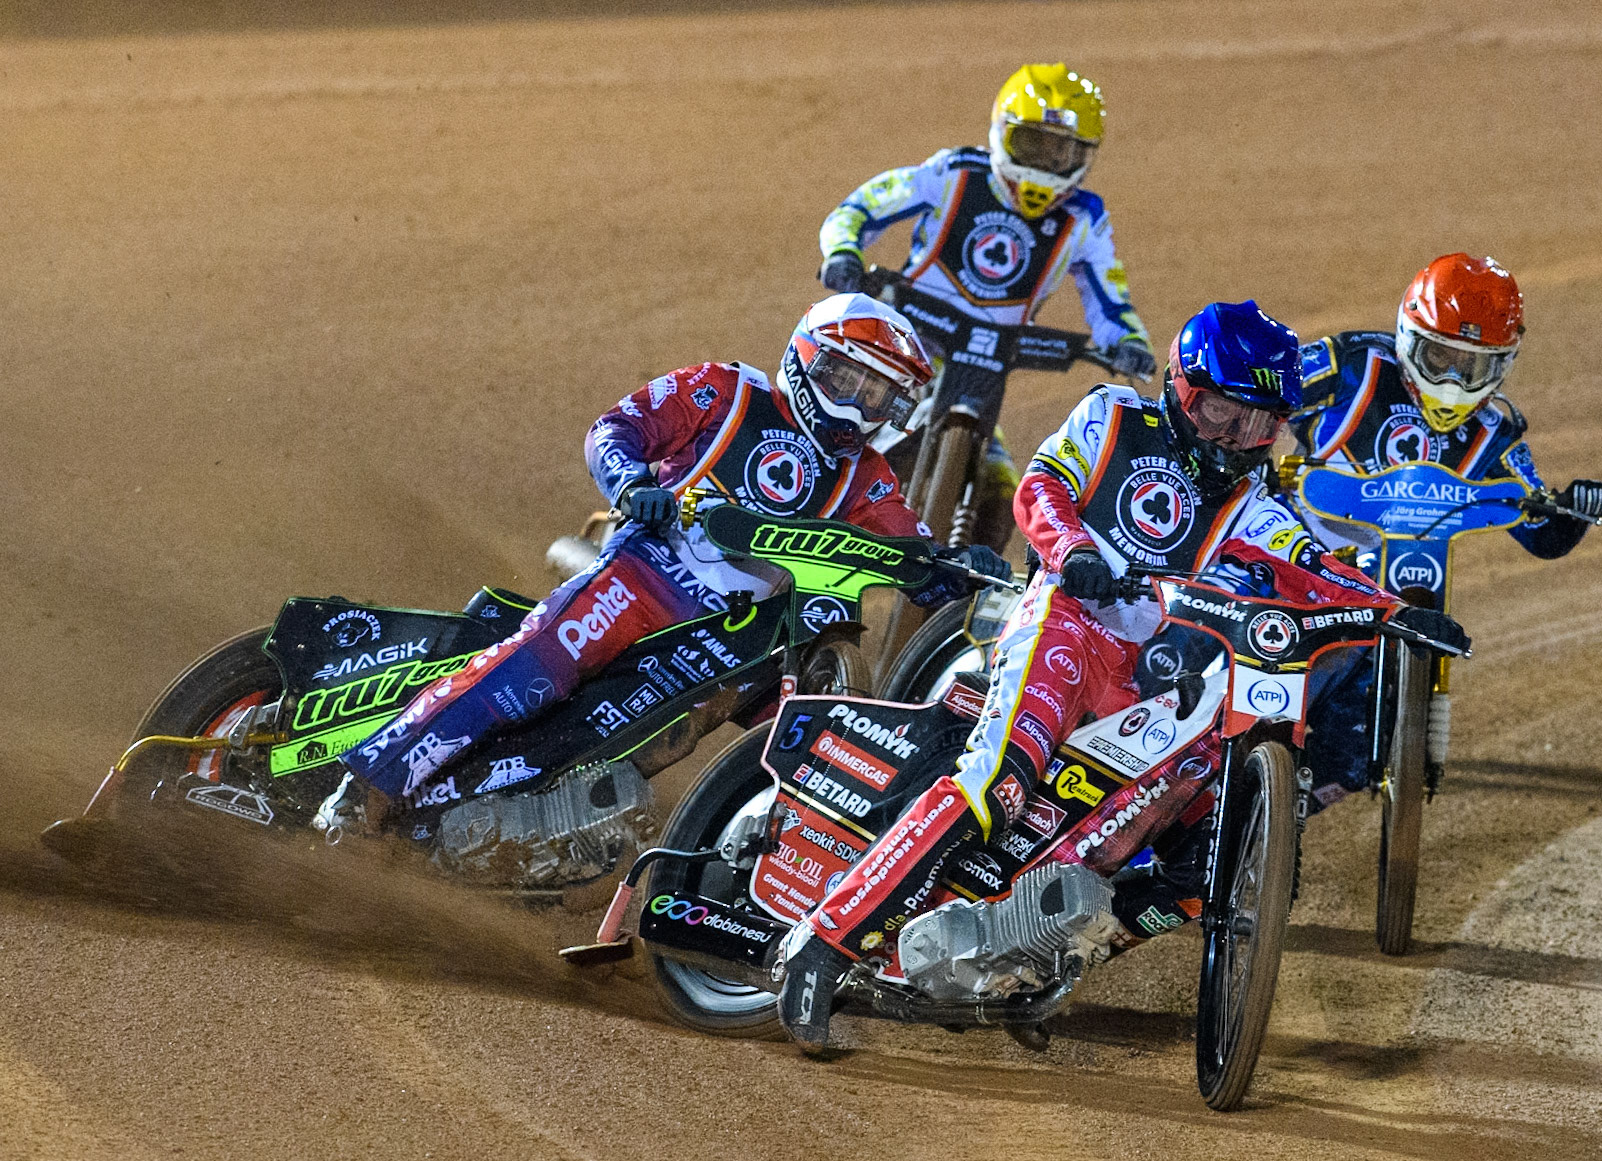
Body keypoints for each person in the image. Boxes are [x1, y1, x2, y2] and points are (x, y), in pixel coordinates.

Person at [773, 300, 1470, 1044]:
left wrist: (1393, 611)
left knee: (1205, 859)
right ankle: (823, 943)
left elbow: (1309, 564)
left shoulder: (1253, 502)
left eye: (1256, 425)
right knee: (996, 783)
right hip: (1064, 626)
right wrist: (1073, 550)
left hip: (1146, 675)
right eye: (1219, 413)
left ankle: (1031, 960)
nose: (1232, 438)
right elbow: (1040, 486)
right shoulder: (1111, 416)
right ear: (1180, 387)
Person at [338, 294, 1009, 801]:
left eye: (876, 395)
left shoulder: (867, 476)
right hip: (644, 576)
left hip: (737, 642)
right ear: (808, 358)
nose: (856, 405)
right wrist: (632, 484)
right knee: (537, 669)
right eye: (846, 381)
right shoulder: (726, 390)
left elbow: (911, 551)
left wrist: (961, 568)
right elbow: (616, 428)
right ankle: (366, 785)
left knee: (794, 749)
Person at [1286, 254, 1602, 807]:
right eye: (1441, 357)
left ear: (1503, 364)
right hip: (1277, 554)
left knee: (1366, 743)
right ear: (1409, 336)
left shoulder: (1494, 435)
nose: (1454, 381)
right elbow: (1255, 393)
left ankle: (1273, 819)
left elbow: (1540, 534)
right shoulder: (1350, 366)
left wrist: (1572, 513)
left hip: (1379, 595)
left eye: (1475, 366)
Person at [815, 62, 1156, 547]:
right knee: (835, 449)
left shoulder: (1084, 219)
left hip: (984, 366)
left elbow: (1108, 293)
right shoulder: (954, 173)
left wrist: (1127, 342)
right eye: (1032, 144)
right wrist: (843, 254)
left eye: (1061, 152)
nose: (1044, 164)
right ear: (1002, 132)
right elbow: (862, 207)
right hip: (897, 347)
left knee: (1000, 501)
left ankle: (957, 595)